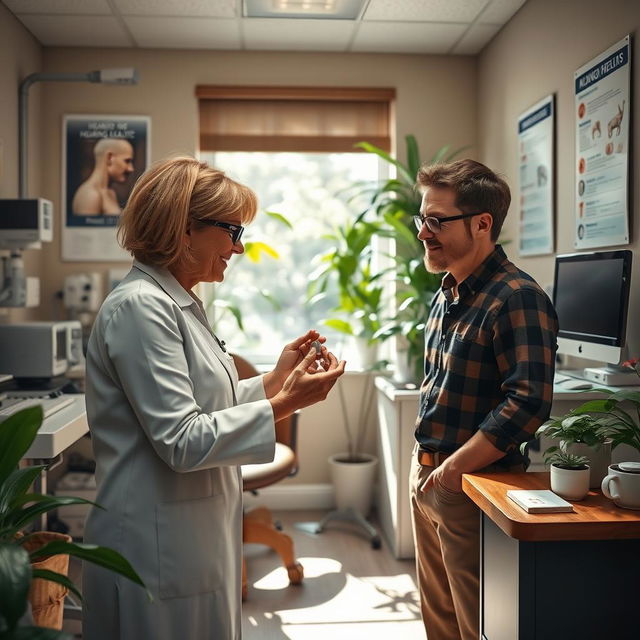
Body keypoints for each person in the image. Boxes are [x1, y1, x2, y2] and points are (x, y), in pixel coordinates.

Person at [82, 156, 346, 640]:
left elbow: (205, 403)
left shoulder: (175, 300)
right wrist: (286, 403)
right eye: (232, 231)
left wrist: (274, 380)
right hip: (153, 543)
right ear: (184, 229)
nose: (239, 248)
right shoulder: (141, 308)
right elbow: (182, 439)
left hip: (186, 534)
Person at [409, 159, 558, 640]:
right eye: (422, 219)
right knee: (439, 619)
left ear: (482, 223)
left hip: (472, 485)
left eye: (437, 220)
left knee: (479, 624)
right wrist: (428, 469)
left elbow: (528, 403)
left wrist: (452, 472)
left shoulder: (518, 296)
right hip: (429, 474)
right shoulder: (447, 288)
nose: (424, 232)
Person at [71, 137, 134, 215]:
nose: (131, 169)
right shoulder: (91, 195)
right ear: (109, 158)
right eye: (127, 161)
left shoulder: (110, 193)